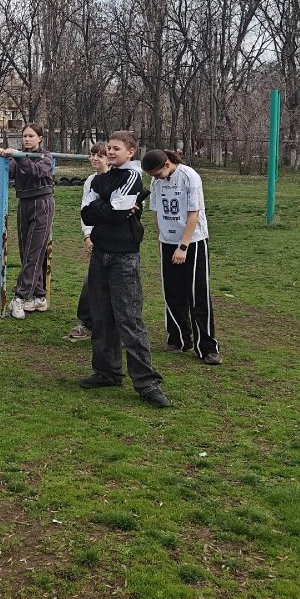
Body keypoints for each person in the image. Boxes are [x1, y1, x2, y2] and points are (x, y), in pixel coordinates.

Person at [79, 130, 170, 408]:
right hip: (100, 254)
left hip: (124, 257)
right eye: (109, 147)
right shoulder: (97, 178)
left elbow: (117, 213)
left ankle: (146, 383)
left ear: (130, 152)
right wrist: (108, 207)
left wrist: (104, 208)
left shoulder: (132, 176)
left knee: (129, 319)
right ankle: (107, 371)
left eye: (116, 148)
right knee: (101, 316)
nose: (110, 152)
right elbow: (87, 212)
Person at [141, 149, 222, 365]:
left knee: (198, 294)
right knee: (172, 291)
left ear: (167, 164)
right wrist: (162, 237)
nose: (155, 178)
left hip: (192, 241)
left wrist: (183, 246)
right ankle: (178, 338)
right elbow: (157, 212)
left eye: (157, 173)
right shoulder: (156, 183)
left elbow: (193, 213)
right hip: (167, 243)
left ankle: (207, 347)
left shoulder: (189, 177)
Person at [0, 124, 55, 320]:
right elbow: (8, 173)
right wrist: (1, 159)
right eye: (24, 136)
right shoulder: (18, 156)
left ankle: (19, 297)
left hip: (42, 202)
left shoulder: (46, 156)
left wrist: (19, 157)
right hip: (24, 202)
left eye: (31, 136)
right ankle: (38, 295)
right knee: (26, 250)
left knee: (34, 250)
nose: (26, 139)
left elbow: (36, 172)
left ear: (40, 138)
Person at [67, 141, 109, 341]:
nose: (94, 159)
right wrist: (87, 235)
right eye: (92, 155)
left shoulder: (122, 179)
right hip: (96, 237)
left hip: (116, 240)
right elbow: (85, 210)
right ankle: (86, 323)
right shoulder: (91, 181)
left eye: (99, 156)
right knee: (91, 280)